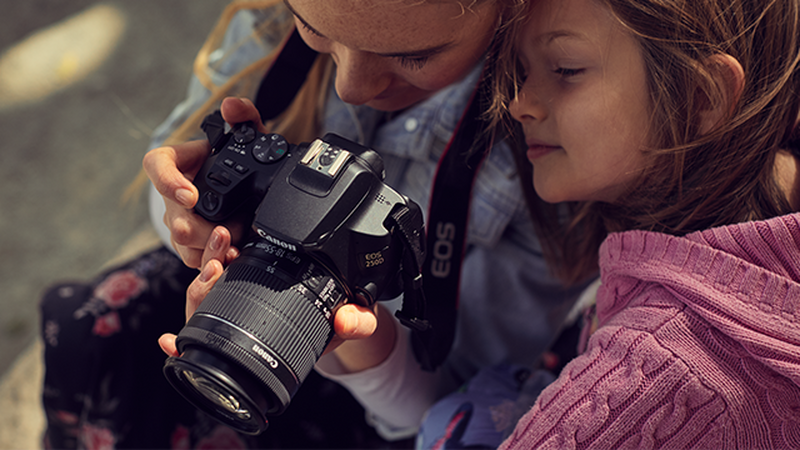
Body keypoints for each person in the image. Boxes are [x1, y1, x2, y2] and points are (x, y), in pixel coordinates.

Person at [40, 0, 592, 448]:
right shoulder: (269, 25)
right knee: (88, 332)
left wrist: (366, 346)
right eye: (315, 28)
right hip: (238, 303)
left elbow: (458, 410)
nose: (349, 86)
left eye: (414, 56)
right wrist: (197, 218)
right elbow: (170, 202)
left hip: (394, 392)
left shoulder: (550, 160)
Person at [473, 0, 800, 447]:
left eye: (566, 69)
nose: (519, 104)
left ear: (701, 97)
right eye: (524, 70)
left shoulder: (642, 386)